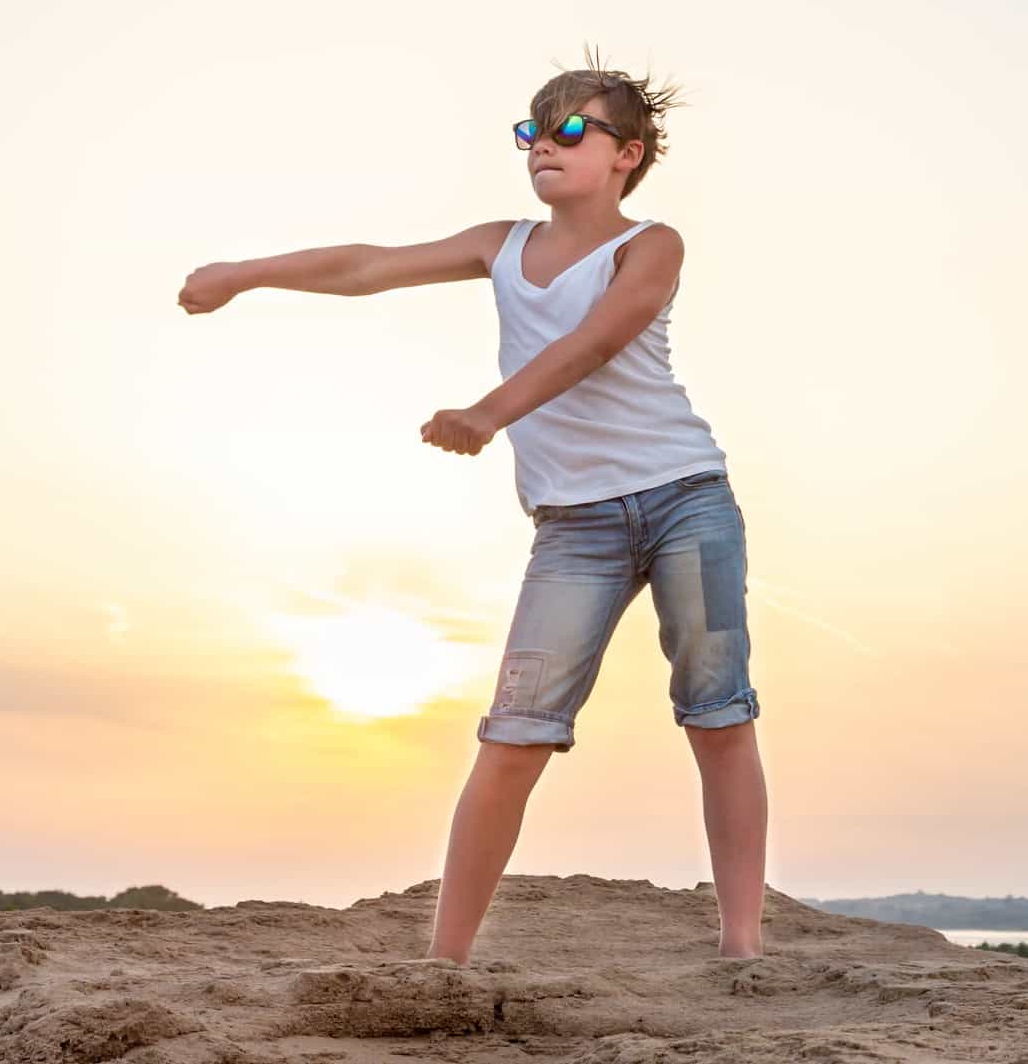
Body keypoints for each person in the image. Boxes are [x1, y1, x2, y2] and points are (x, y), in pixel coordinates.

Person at [175, 47, 766, 963]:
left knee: (716, 712)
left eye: (572, 129)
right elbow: (367, 265)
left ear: (628, 154)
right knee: (514, 735)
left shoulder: (650, 245)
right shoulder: (502, 243)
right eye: (531, 130)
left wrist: (486, 415)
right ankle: (442, 962)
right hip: (576, 524)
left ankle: (741, 947)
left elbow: (597, 340)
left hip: (686, 498)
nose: (544, 146)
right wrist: (243, 270)